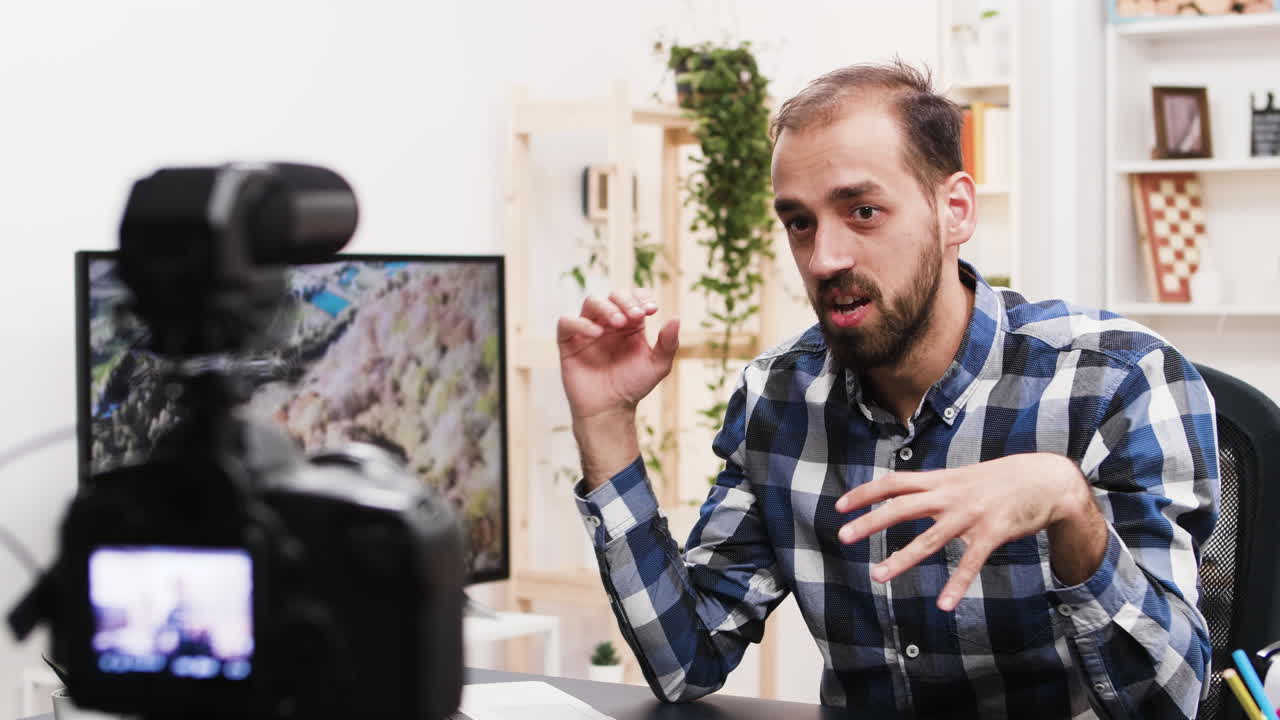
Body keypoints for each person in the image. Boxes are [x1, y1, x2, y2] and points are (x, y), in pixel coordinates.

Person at [556, 60, 1218, 719]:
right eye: (800, 223)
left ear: (954, 209)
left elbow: (1170, 704)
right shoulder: (779, 398)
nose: (824, 259)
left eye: (863, 210)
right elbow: (686, 662)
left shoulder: (1117, 383)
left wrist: (1069, 504)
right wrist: (606, 425)